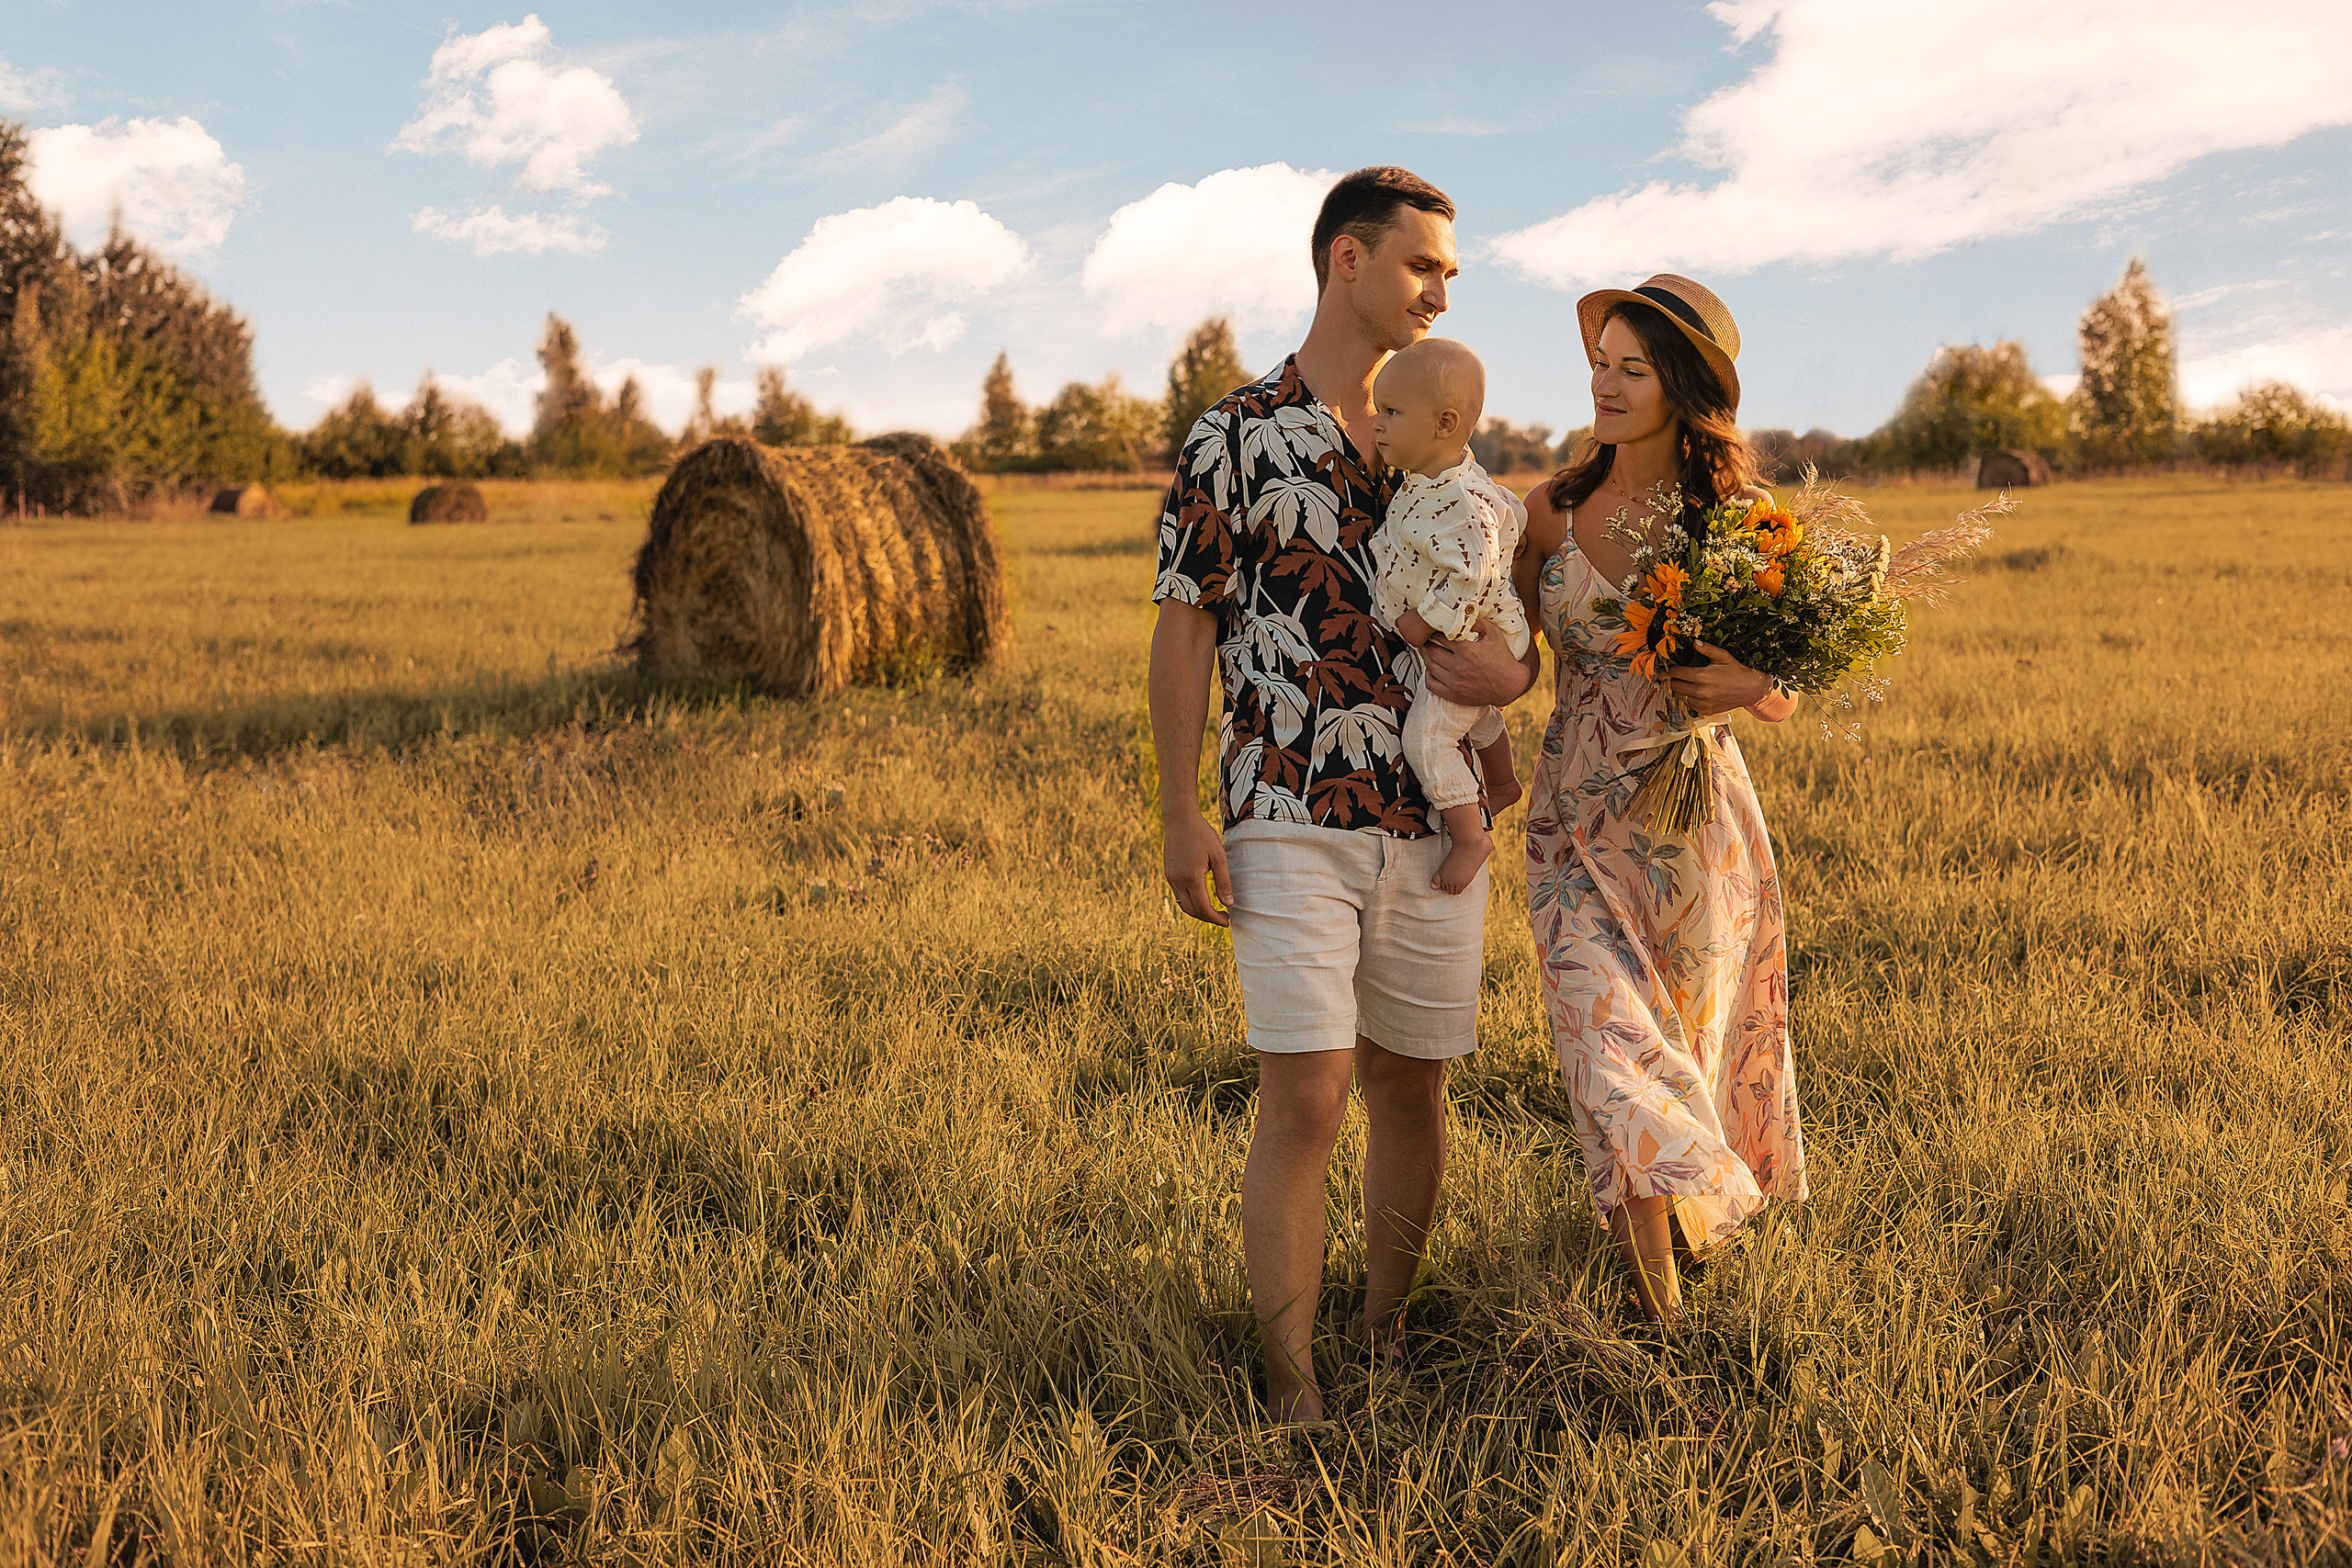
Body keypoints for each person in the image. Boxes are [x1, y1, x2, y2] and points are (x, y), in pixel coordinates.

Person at [1148, 167, 1537, 1421]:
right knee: (1307, 1087)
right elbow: (1184, 628)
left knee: (1412, 1082)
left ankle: (1385, 1330)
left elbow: (1502, 624)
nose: (1441, 288)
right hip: (1286, 799)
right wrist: (1177, 809)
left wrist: (1511, 684)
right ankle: (1293, 1376)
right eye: (1423, 264)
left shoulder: (1448, 442)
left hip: (1428, 821)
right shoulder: (1239, 431)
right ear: (1347, 261)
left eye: (1450, 274)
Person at [1512, 274, 1809, 1324]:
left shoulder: (1736, 521)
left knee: (1683, 1039)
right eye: (1600, 362)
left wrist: (1751, 687)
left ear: (1682, 388)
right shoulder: (1548, 513)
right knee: (1609, 1050)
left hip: (1690, 825)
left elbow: (1784, 682)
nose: (1604, 382)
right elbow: (1509, 658)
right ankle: (1662, 1320)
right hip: (1569, 818)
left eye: (1631, 368)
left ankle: (1682, 1233)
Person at [1368, 336, 1529, 894]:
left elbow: (1475, 573)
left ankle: (1469, 838)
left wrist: (1429, 622)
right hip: (1470, 633)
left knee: (1428, 741)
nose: (1377, 426)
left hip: (1462, 635)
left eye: (1391, 413)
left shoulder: (1458, 500)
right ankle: (1503, 781)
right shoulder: (1435, 482)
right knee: (1472, 712)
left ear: (1444, 423)